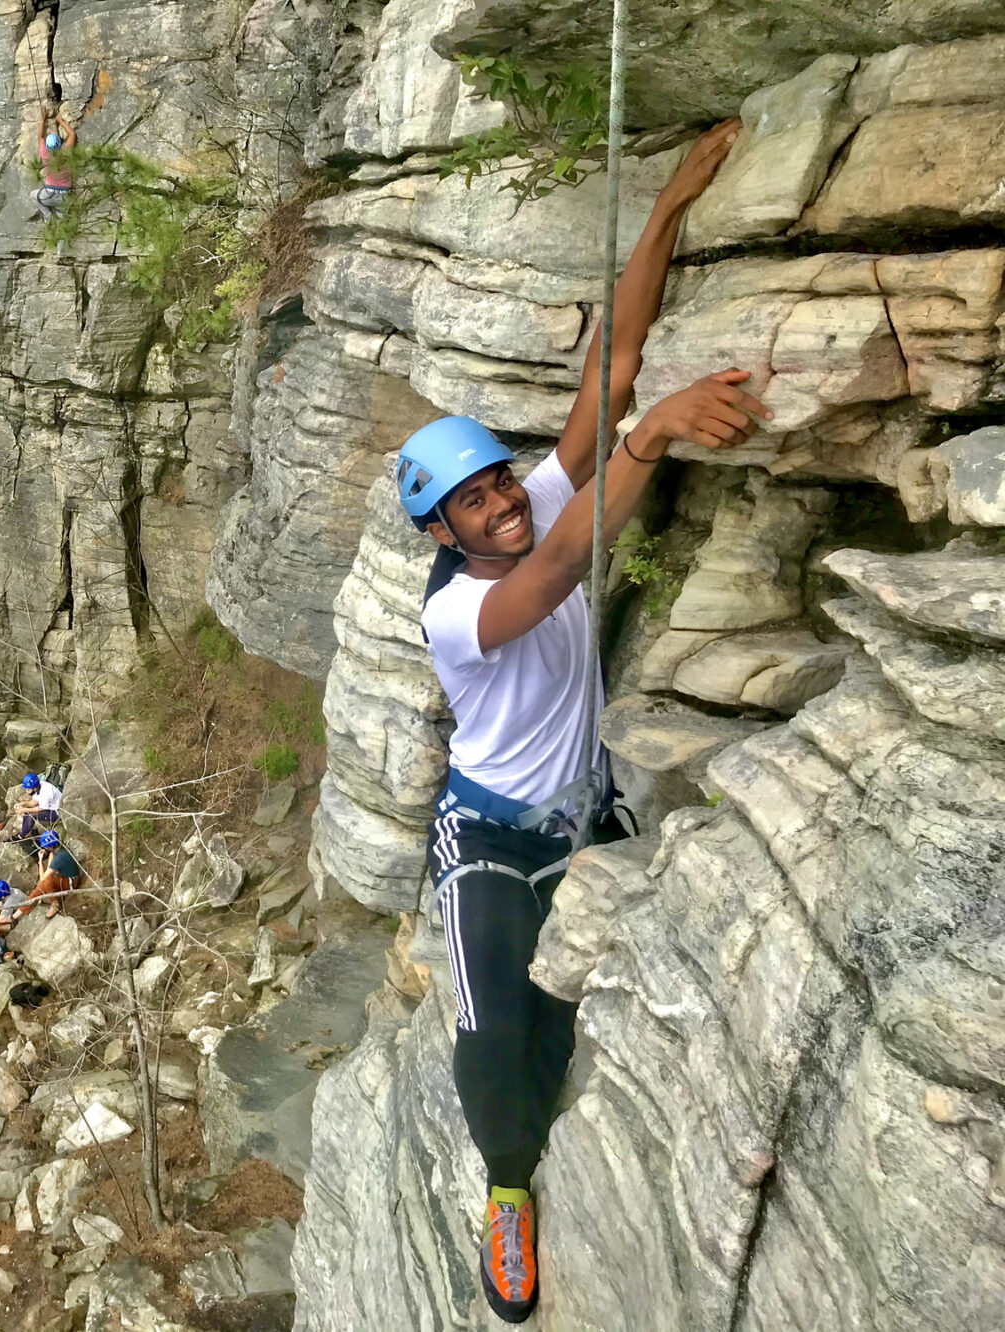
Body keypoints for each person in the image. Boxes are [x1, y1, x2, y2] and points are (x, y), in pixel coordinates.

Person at [400, 120, 756, 1325]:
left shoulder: (530, 502)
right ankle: (508, 1186)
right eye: (472, 502)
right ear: (441, 535)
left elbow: (608, 373)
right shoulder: (464, 608)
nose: (501, 502)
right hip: (494, 836)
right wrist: (649, 434)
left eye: (500, 479)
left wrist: (664, 212)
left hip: (584, 809)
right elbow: (556, 571)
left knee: (604, 987)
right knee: (498, 1029)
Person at [33, 105, 75, 220]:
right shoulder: (66, 153)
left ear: (47, 146)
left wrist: (43, 120)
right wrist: (60, 121)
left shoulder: (44, 154)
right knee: (63, 218)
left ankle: (49, 217)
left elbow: (40, 137)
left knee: (33, 196)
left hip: (49, 194)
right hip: (65, 196)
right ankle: (60, 217)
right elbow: (72, 135)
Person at [6, 771, 61, 845]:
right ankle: (25, 830)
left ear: (34, 788)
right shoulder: (38, 787)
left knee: (31, 815)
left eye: (28, 789)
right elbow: (35, 802)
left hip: (57, 812)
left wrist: (24, 809)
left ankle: (21, 836)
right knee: (27, 812)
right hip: (50, 807)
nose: (26, 791)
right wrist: (23, 804)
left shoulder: (45, 792)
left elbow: (39, 809)